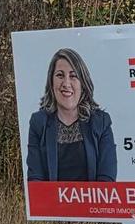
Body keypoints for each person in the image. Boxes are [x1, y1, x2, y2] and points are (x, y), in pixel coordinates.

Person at [26, 47, 117, 181]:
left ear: (83, 83)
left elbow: (106, 180)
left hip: (93, 202)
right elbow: (35, 180)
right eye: (60, 75)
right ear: (51, 82)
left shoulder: (101, 122)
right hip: (51, 202)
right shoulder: (38, 122)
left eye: (73, 76)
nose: (66, 83)